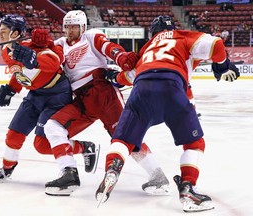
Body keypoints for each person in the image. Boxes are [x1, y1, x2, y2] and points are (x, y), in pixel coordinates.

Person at [95, 15, 240, 212]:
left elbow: (129, 76)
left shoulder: (147, 48)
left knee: (122, 140)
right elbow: (216, 43)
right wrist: (221, 65)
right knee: (194, 143)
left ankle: (112, 169)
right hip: (172, 86)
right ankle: (188, 188)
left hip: (141, 88)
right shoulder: (181, 36)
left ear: (153, 33)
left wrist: (114, 79)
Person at [32, 10, 170, 196]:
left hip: (103, 93)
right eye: (68, 26)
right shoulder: (60, 44)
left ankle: (158, 176)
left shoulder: (91, 36)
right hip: (81, 99)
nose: (70, 30)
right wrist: (33, 45)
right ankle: (69, 174)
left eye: (74, 26)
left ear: (82, 27)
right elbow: (43, 53)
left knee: (127, 138)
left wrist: (121, 57)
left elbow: (108, 47)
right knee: (53, 127)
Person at [0, 14, 99, 183]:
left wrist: (35, 58)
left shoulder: (34, 46)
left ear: (15, 33)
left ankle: (85, 147)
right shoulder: (5, 51)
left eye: (3, 31)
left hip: (57, 96)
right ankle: (6, 169)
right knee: (13, 135)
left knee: (42, 144)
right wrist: (10, 89)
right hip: (35, 94)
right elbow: (19, 72)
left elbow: (55, 61)